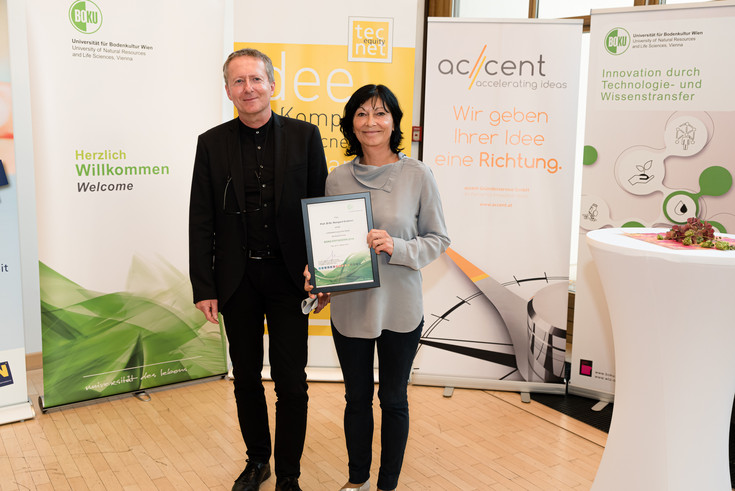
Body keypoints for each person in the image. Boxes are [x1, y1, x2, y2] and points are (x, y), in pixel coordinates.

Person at [189, 48, 328, 491]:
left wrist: (323, 274)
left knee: (292, 382)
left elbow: (320, 210)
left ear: (272, 84)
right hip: (237, 281)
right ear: (227, 90)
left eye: (255, 79)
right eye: (238, 81)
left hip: (291, 280)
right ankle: (257, 462)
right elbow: (201, 218)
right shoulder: (211, 143)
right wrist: (204, 285)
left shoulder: (305, 137)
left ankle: (288, 473)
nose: (248, 88)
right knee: (245, 377)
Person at [305, 84, 450, 491]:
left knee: (394, 399)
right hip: (351, 308)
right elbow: (331, 245)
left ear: (394, 121)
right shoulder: (337, 178)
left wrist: (397, 245)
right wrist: (323, 279)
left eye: (381, 113)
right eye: (362, 114)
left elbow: (438, 238)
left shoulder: (418, 174)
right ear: (351, 124)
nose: (371, 122)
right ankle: (358, 481)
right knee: (356, 399)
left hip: (400, 307)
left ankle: (387, 484)